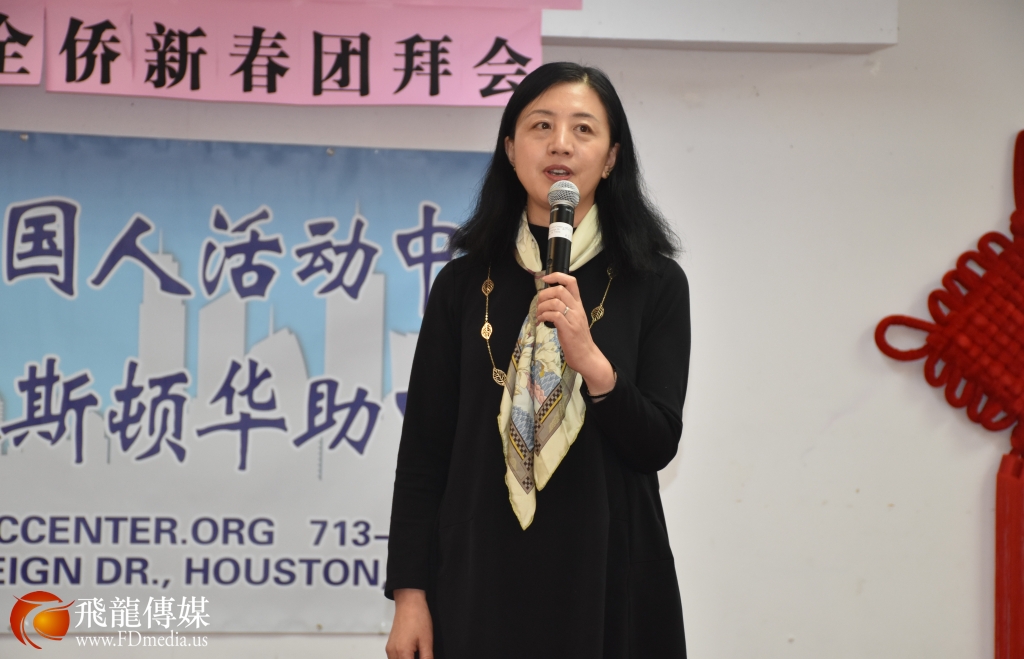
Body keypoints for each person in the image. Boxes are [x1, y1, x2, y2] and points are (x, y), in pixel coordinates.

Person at [384, 61, 691, 659]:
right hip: (480, 573)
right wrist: (410, 594)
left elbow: (656, 443)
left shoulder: (654, 281)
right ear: (509, 148)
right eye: (541, 125)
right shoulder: (462, 284)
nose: (560, 144)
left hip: (608, 571)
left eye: (583, 129)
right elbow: (424, 452)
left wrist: (590, 361)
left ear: (611, 157)